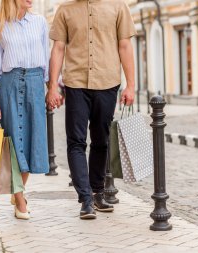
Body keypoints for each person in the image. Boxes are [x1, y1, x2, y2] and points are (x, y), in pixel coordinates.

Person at [47, 0, 136, 219]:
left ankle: (97, 193)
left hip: (107, 83)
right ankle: (85, 199)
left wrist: (131, 85)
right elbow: (58, 49)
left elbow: (124, 45)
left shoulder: (118, 7)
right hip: (75, 84)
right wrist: (52, 87)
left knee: (101, 141)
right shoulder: (65, 10)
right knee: (76, 142)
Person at [0, 0, 50, 220]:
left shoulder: (40, 22)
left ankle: (18, 191)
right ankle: (20, 199)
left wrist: (51, 89)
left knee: (32, 141)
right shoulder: (0, 27)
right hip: (10, 85)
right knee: (14, 143)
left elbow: (47, 61)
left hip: (34, 83)